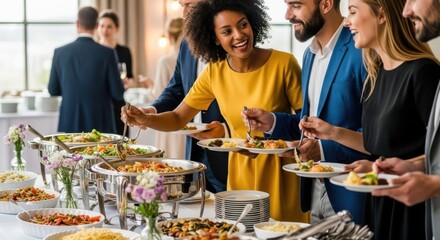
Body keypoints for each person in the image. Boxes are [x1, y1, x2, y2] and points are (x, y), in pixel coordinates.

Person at [123, 0, 309, 222]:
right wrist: (146, 118)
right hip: (240, 172)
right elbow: (178, 117)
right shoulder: (215, 72)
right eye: (227, 31)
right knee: (240, 231)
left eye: (243, 25)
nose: (239, 35)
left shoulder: (283, 63)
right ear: (215, 39)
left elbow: (306, 123)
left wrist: (275, 123)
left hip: (282, 174)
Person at [297, 0, 440, 238]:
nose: (346, 21)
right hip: (380, 204)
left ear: (382, 15)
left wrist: (411, 168)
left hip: (415, 209)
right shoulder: (375, 74)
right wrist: (333, 133)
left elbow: (435, 154)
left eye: (352, 11)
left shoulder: (423, 73)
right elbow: (377, 144)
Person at [242, 0, 370, 224]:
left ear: (326, 4)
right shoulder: (309, 55)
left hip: (351, 194)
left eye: (296, 5)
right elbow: (310, 125)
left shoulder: (363, 49)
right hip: (313, 192)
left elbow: (378, 136)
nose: (288, 14)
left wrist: (322, 150)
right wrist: (271, 122)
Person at [137, 0, 229, 193]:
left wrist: (227, 131)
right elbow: (176, 88)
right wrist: (152, 109)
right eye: (182, 5)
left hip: (226, 150)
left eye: (189, 4)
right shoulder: (187, 44)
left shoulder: (231, 41)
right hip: (193, 149)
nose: (184, 12)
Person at [370, 0, 440, 238]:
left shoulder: (424, 72)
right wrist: (416, 165)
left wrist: (433, 184)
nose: (405, 11)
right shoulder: (376, 73)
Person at [48, 6, 124, 133]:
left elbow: (52, 90)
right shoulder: (107, 53)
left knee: (68, 154)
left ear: (77, 24)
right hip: (100, 125)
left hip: (69, 123)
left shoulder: (60, 53)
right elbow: (118, 93)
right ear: (96, 25)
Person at [151, 17, 186, 159]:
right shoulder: (186, 58)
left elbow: (159, 95)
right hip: (187, 121)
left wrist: (150, 86)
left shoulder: (165, 62)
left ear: (170, 36)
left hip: (168, 121)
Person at [97, 9, 133, 136]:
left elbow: (130, 76)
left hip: (119, 103)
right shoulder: (94, 51)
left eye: (109, 27)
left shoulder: (124, 51)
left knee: (121, 140)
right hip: (100, 103)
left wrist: (127, 82)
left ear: (116, 29)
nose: (105, 30)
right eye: (102, 26)